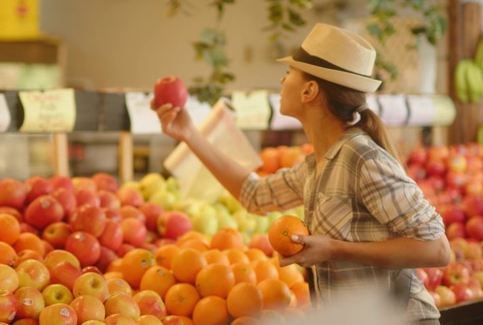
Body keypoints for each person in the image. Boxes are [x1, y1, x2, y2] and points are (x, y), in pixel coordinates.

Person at [152, 23, 450, 324]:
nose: (282, 80)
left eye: (290, 73)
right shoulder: (317, 165)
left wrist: (333, 249)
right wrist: (190, 134)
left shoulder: (362, 158)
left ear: (309, 90)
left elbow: (437, 250)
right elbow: (254, 195)